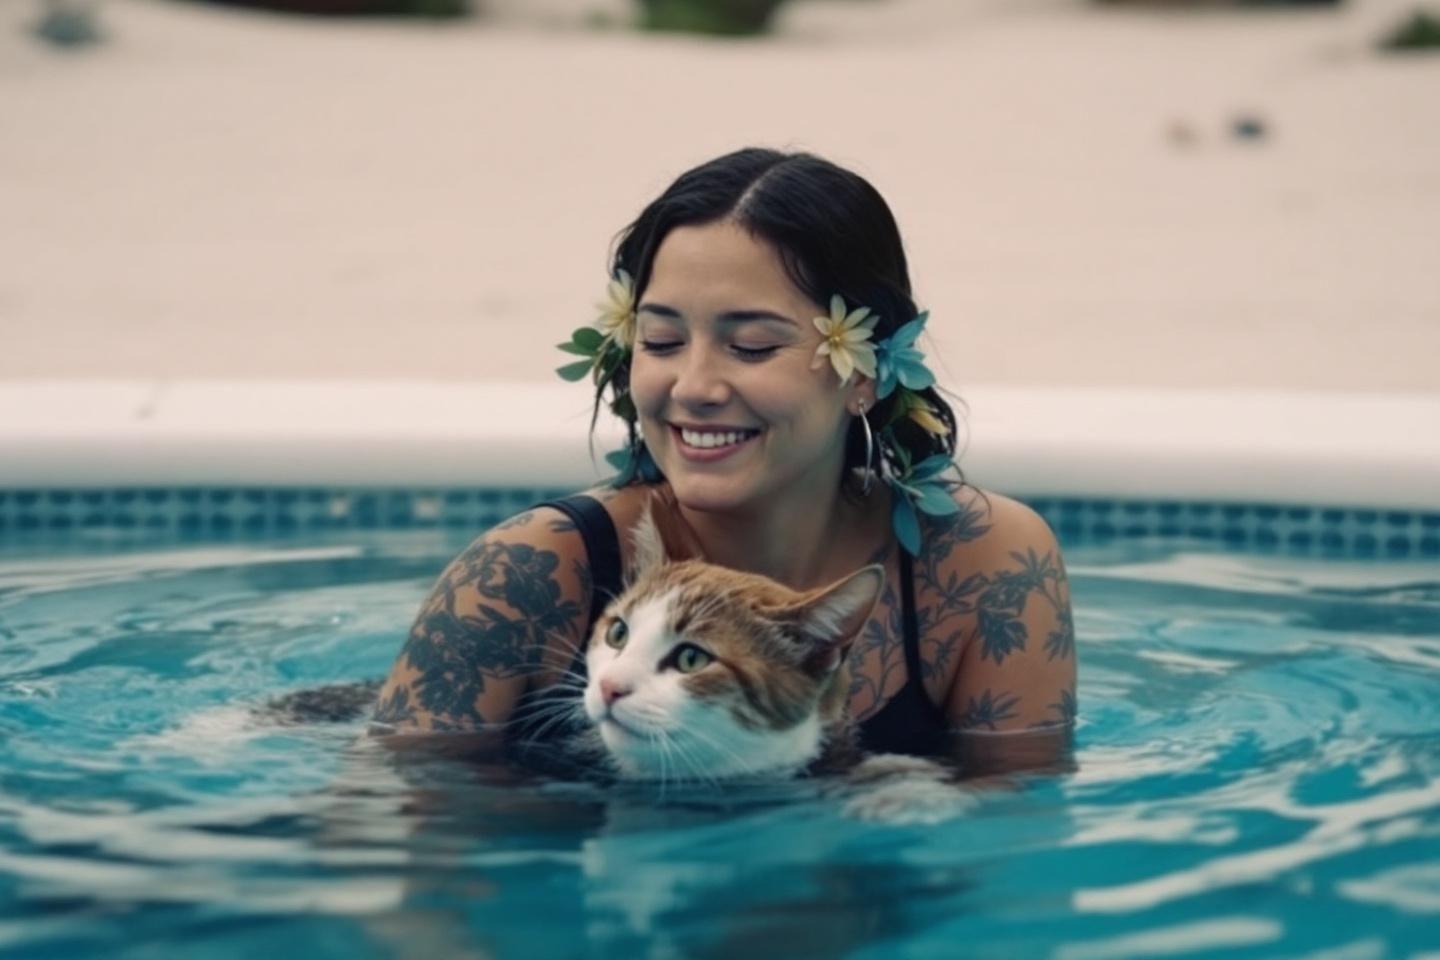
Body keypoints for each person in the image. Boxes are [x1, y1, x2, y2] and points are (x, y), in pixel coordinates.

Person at [373, 147, 1076, 774]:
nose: (693, 387)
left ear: (863, 373)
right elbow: (392, 835)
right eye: (661, 340)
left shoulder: (983, 565)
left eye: (751, 347)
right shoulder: (528, 572)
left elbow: (1012, 846)